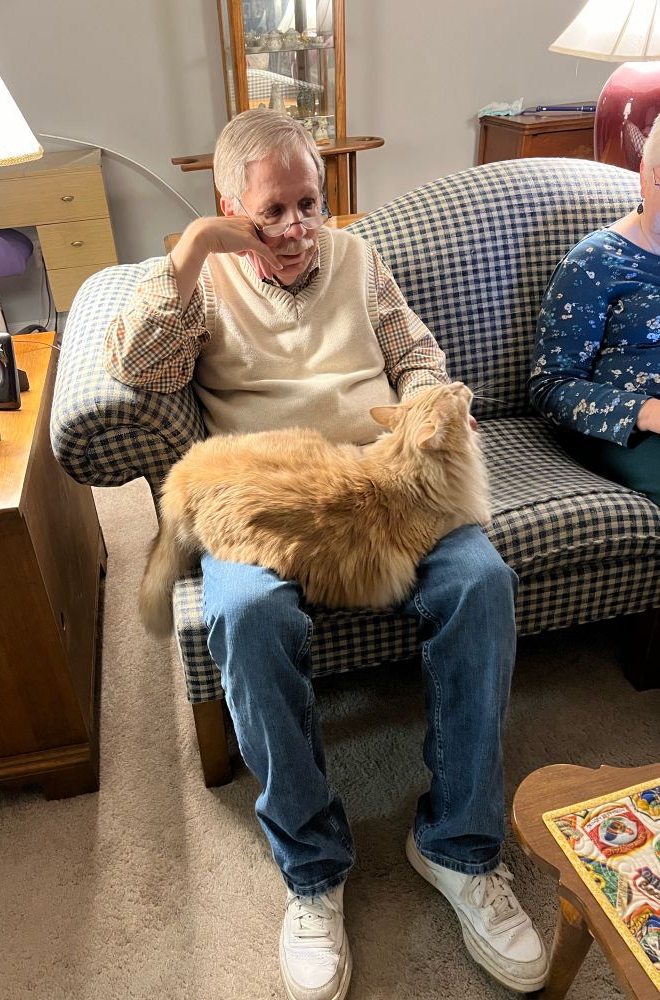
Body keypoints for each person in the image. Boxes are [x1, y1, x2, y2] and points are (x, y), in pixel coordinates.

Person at [104, 109, 547, 999]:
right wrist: (195, 251)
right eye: (272, 211)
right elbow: (137, 371)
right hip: (272, 498)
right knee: (245, 614)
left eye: (309, 202)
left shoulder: (357, 258)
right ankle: (311, 867)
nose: (297, 227)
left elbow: (417, 357)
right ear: (231, 205)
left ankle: (459, 847)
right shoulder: (199, 277)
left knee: (482, 583)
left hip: (385, 483)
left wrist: (430, 416)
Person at [529, 114, 660, 508]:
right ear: (643, 173)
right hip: (628, 430)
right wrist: (648, 412)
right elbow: (551, 385)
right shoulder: (595, 263)